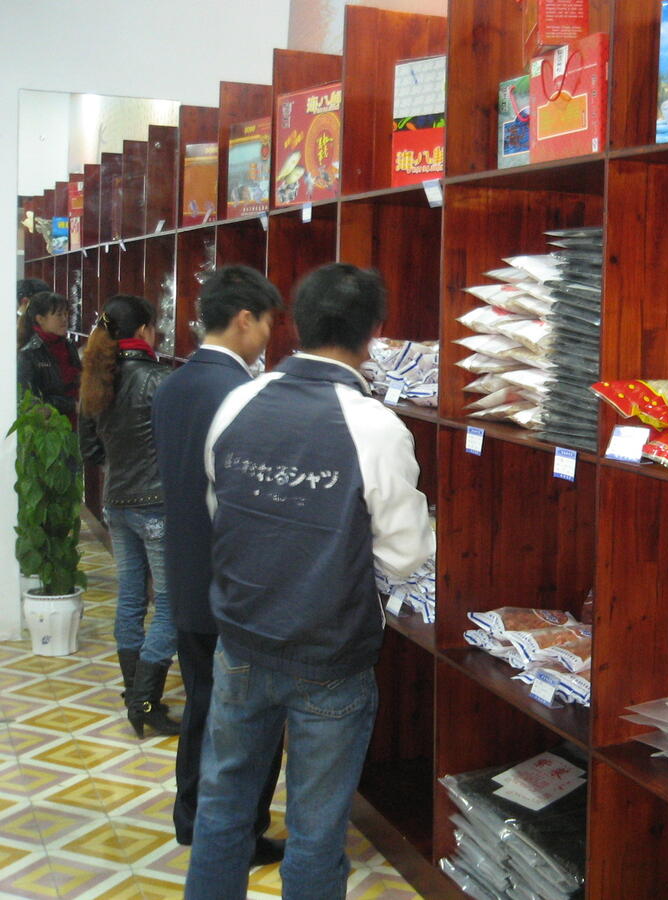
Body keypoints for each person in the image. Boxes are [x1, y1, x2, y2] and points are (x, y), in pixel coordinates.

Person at [185, 264, 434, 899]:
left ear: (293, 323)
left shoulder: (239, 401)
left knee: (222, 809)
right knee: (316, 833)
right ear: (374, 333)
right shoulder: (377, 427)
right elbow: (405, 557)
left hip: (241, 640)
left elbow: (221, 508)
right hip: (330, 654)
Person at [151, 266, 286, 866]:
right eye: (268, 324)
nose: (269, 337)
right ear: (244, 319)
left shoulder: (174, 384)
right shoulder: (241, 394)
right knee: (243, 719)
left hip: (185, 571)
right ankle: (236, 832)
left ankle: (192, 818)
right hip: (233, 582)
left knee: (203, 705)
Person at [79, 294, 181, 738]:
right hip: (156, 505)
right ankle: (144, 700)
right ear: (144, 331)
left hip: (115, 502)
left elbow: (90, 449)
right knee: (172, 606)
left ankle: (134, 693)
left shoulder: (97, 378)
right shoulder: (160, 379)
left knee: (132, 599)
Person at [17, 291, 81, 424]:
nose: (64, 319)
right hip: (51, 427)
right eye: (59, 315)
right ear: (40, 319)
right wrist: (70, 405)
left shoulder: (69, 346)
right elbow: (29, 402)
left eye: (66, 314)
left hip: (78, 422)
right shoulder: (29, 354)